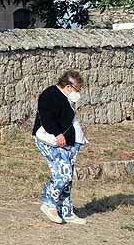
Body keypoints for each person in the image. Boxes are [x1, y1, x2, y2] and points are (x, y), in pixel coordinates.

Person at [33, 69, 87, 224]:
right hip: (50, 140)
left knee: (67, 177)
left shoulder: (67, 98)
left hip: (67, 143)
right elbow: (46, 118)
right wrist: (57, 134)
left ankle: (66, 211)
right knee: (63, 175)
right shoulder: (50, 94)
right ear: (68, 86)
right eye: (77, 89)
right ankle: (49, 203)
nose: (78, 93)